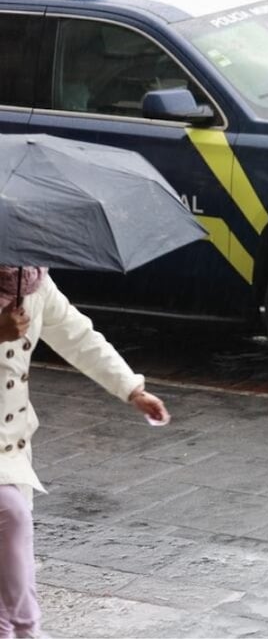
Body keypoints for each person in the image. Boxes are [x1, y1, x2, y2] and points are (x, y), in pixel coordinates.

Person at [0, 266, 170, 639]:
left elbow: (78, 337)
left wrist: (132, 389)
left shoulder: (34, 284)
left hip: (12, 445)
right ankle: (29, 631)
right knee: (12, 520)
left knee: (11, 553)